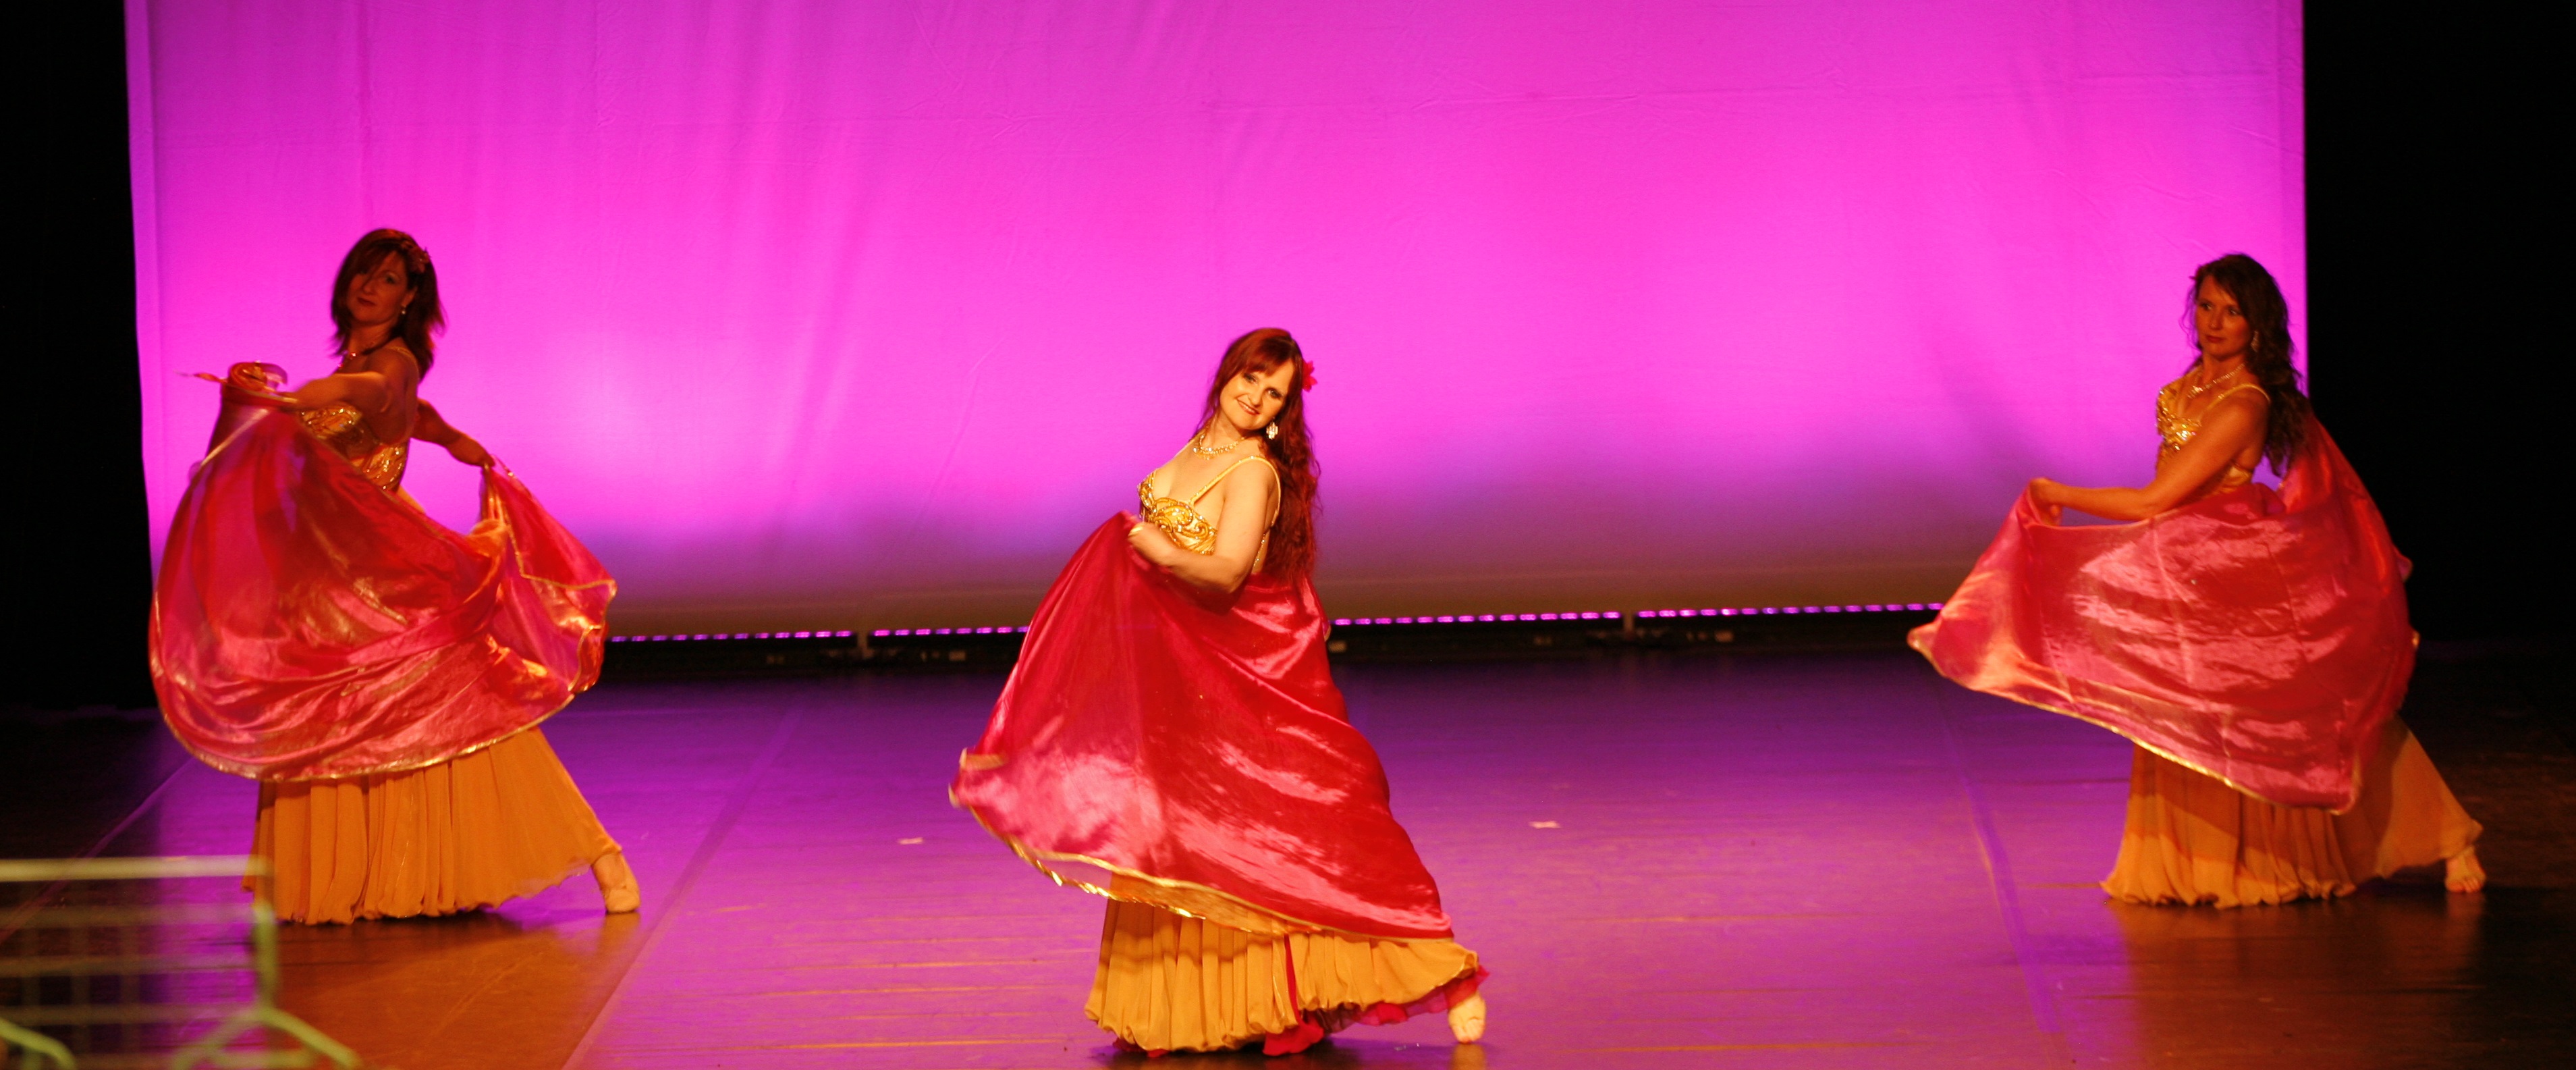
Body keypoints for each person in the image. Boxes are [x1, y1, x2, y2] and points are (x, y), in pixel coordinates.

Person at [952, 328, 1487, 1054]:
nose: (1256, 396)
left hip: (1242, 674)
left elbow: (1228, 571)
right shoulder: (1199, 447)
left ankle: (1445, 969)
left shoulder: (1253, 471)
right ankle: (1226, 1006)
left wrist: (1155, 548)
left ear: (1283, 411)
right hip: (1184, 674)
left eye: (1275, 393)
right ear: (1228, 374)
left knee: (1299, 833)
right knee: (1188, 835)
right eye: (1250, 378)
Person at [1911, 253, 2484, 909]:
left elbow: (2155, 498)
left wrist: (2054, 491)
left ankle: (2447, 835)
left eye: (2232, 312)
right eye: (2207, 306)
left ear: (2256, 325)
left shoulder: (2243, 404)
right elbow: (2166, 500)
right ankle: (2199, 862)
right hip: (2186, 567)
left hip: (2235, 572)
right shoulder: (2191, 387)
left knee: (2305, 719)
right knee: (2178, 710)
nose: (2214, 322)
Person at [153, 229, 640, 924]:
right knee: (329, 719)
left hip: (386, 567)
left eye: (386, 279)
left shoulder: (393, 360)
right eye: (363, 272)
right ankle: (360, 876)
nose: (368, 286)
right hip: (330, 571)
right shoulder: (366, 360)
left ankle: (598, 852)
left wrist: (315, 394)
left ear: (409, 299)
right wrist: (450, 438)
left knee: (459, 711)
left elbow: (378, 391)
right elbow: (408, 416)